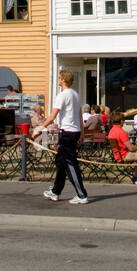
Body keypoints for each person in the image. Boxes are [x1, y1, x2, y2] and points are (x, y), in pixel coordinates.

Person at [40, 69, 88, 203]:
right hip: (75, 131)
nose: (58, 80)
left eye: (59, 78)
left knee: (70, 163)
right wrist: (82, 134)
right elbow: (79, 115)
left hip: (67, 132)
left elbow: (53, 115)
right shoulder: (76, 94)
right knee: (60, 161)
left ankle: (81, 194)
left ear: (63, 80)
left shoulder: (62, 95)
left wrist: (40, 128)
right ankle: (56, 191)